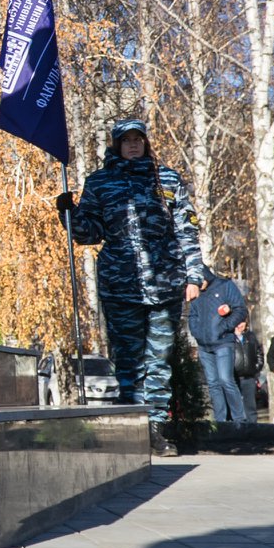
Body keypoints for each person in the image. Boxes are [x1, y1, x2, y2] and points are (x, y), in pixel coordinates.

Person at [55, 118, 205, 457]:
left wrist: (194, 276)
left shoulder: (166, 179)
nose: (133, 145)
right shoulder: (100, 182)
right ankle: (132, 426)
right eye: (127, 140)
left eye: (139, 139)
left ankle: (156, 429)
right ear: (117, 145)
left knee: (160, 360)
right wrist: (70, 214)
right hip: (121, 284)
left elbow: (186, 230)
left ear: (147, 143)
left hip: (165, 283)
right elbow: (87, 234)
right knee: (128, 362)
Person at [188, 267, 249, 422]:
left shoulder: (225, 286)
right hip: (204, 345)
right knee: (213, 384)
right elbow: (192, 315)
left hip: (223, 342)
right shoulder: (196, 292)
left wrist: (225, 327)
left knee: (226, 380)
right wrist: (197, 333)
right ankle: (221, 421)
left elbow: (240, 310)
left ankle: (239, 420)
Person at [233, 319, 263, 423]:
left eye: (242, 322)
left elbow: (259, 353)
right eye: (237, 322)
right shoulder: (228, 338)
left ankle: (253, 427)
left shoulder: (250, 336)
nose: (240, 325)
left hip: (249, 377)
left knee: (250, 406)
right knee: (236, 405)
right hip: (234, 378)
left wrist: (256, 367)